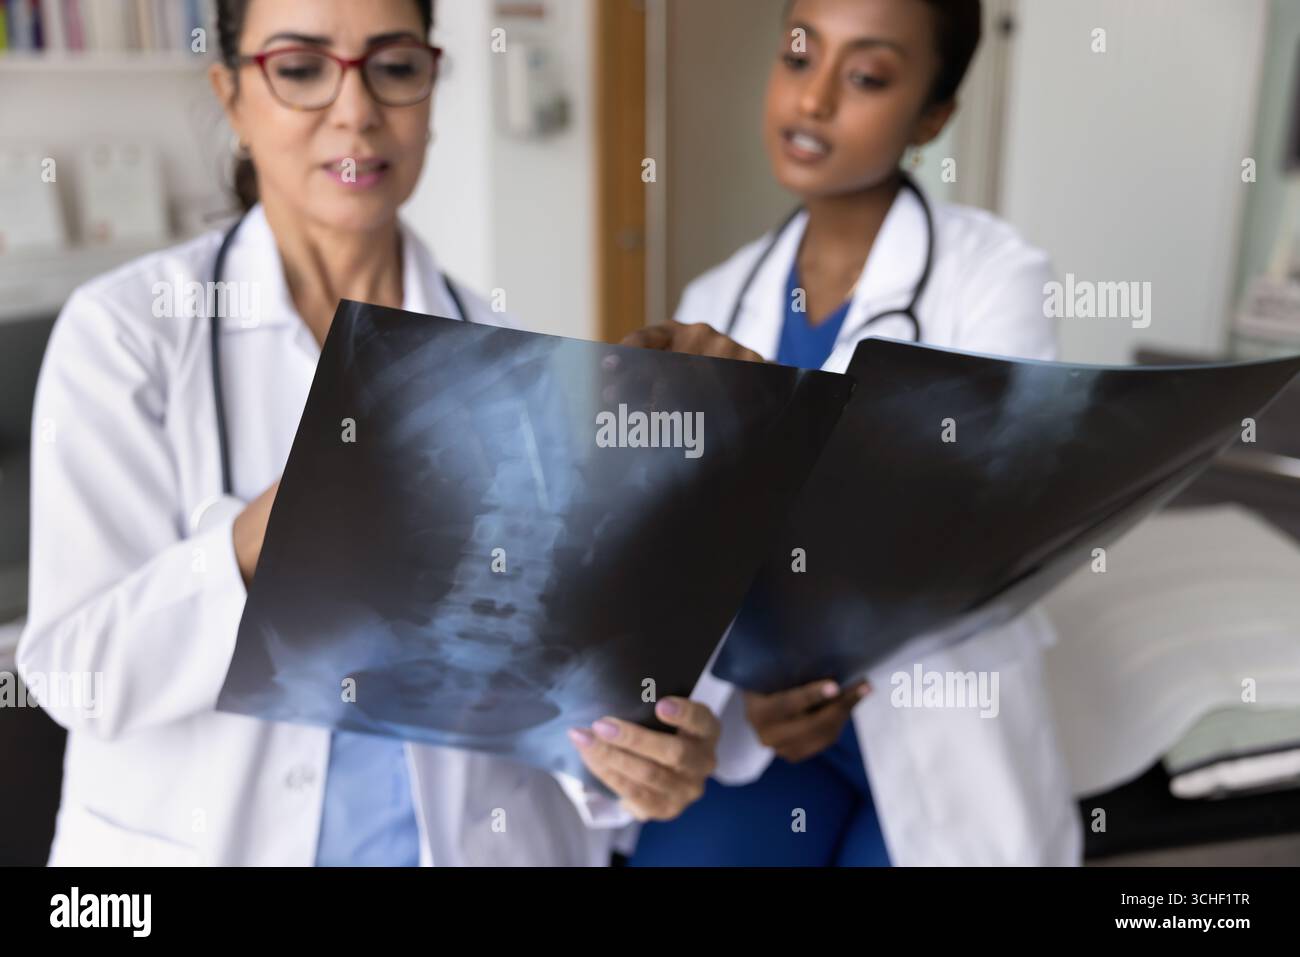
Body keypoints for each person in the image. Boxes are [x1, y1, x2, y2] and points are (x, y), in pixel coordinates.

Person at [17, 0, 719, 867]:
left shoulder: (514, 358)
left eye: (393, 66)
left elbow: (550, 706)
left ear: (432, 86)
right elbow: (77, 675)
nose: (355, 111)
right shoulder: (127, 333)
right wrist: (271, 531)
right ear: (232, 97)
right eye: (301, 69)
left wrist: (633, 766)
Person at [623, 0, 1081, 866]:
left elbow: (982, 518)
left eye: (867, 76)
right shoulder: (715, 299)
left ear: (932, 116)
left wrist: (759, 417)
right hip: (771, 722)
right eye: (799, 57)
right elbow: (689, 561)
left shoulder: (996, 277)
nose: (815, 98)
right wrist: (745, 700)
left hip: (941, 709)